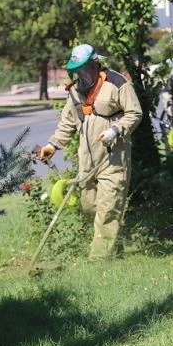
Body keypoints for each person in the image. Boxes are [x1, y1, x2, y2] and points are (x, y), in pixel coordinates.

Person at [38, 44, 143, 260]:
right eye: (77, 70)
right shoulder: (76, 91)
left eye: (84, 68)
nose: (81, 73)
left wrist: (116, 130)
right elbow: (67, 123)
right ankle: (112, 244)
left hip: (113, 159)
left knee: (108, 209)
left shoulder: (117, 83)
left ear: (95, 64)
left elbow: (134, 113)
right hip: (87, 162)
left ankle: (98, 261)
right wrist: (52, 146)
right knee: (89, 207)